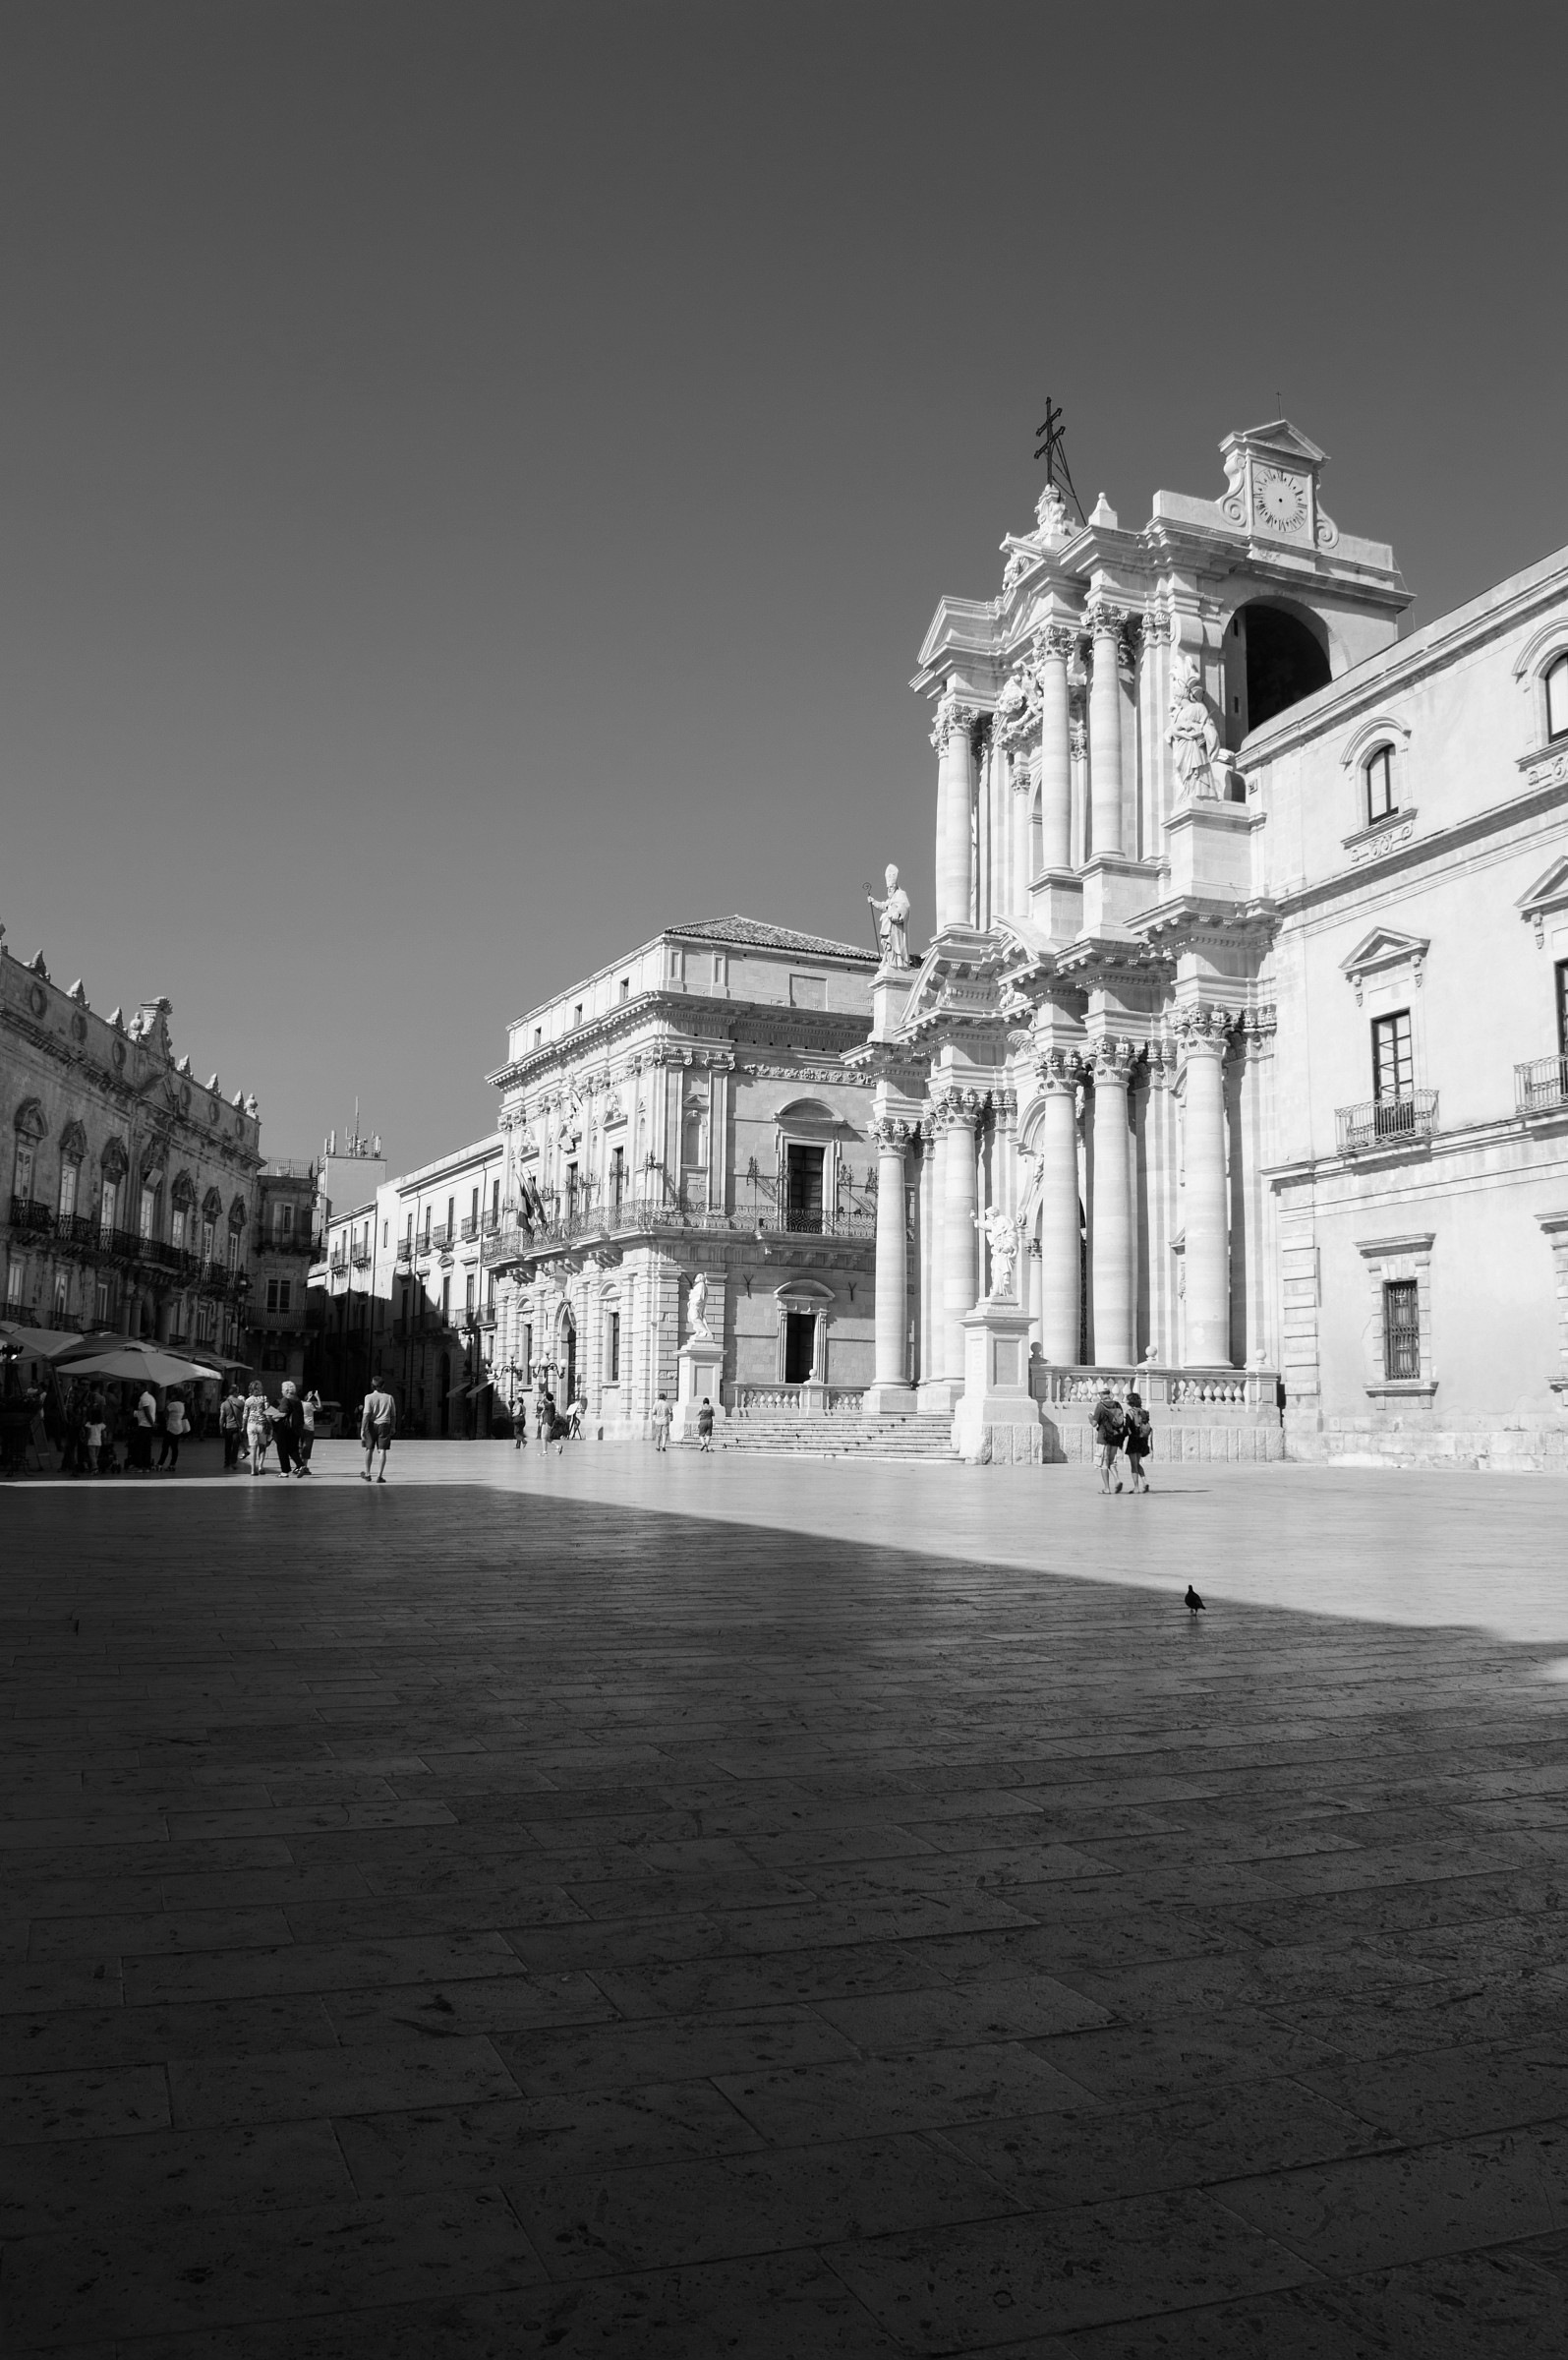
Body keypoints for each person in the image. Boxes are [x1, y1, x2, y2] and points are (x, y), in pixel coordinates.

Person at [1091, 1384, 1126, 1495]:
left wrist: (1090, 1417)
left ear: (1101, 1394)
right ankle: (1117, 1479)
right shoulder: (1117, 1404)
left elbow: (1094, 1423)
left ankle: (1107, 1488)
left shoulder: (1100, 1406)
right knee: (1112, 1461)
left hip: (1104, 1438)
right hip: (1115, 1437)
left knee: (1103, 1464)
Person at [360, 1378, 396, 1483]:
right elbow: (393, 1415)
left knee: (369, 1449)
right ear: (383, 1385)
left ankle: (367, 1474)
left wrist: (362, 1429)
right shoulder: (389, 1398)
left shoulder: (368, 1397)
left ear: (372, 1386)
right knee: (382, 1450)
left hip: (371, 1425)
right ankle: (379, 1476)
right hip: (385, 1425)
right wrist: (393, 1427)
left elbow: (366, 1414)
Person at [270, 1382, 304, 1477]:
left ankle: (284, 1471)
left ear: (286, 1390)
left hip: (284, 1428)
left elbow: (283, 1413)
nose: (281, 1391)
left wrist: (272, 1416)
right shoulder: (297, 1400)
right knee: (292, 1448)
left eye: (282, 1389)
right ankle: (301, 1465)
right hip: (295, 1428)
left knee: (282, 1449)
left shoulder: (285, 1399)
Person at [1123, 1389, 1152, 1493]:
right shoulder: (1144, 1411)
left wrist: (1122, 1436)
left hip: (1133, 1439)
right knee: (1137, 1463)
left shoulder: (1129, 1412)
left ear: (1130, 1402)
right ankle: (1145, 1481)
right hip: (1142, 1439)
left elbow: (1127, 1427)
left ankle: (1136, 1487)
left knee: (1133, 1465)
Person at [244, 1381, 271, 1477]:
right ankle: (260, 1466)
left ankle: (252, 1470)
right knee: (262, 1446)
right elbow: (268, 1413)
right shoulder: (264, 1398)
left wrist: (243, 1427)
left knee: (253, 1448)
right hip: (261, 1424)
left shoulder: (248, 1400)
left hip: (251, 1425)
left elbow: (245, 1415)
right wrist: (270, 1425)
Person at [158, 1390, 189, 1472]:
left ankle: (160, 1464)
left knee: (165, 1447)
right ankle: (172, 1464)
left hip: (171, 1428)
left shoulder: (172, 1404)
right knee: (175, 1448)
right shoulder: (182, 1405)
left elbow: (165, 1414)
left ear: (175, 1396)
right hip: (178, 1428)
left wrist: (167, 1404)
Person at [131, 1386, 158, 1476]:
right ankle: (146, 1466)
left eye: (138, 1389)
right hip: (147, 1425)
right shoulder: (150, 1397)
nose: (136, 1391)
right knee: (147, 1446)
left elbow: (147, 1412)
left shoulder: (144, 1398)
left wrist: (152, 1423)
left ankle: (139, 1466)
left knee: (138, 1446)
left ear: (143, 1388)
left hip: (144, 1425)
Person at [219, 1384, 244, 1472]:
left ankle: (226, 1462)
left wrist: (221, 1428)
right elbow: (244, 1414)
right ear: (234, 1393)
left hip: (228, 1427)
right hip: (237, 1427)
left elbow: (222, 1417)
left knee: (228, 1445)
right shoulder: (240, 1403)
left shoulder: (224, 1404)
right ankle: (233, 1462)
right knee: (235, 1445)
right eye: (237, 1392)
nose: (238, 1394)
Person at [298, 1387, 320, 1474]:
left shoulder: (298, 1403)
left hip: (300, 1427)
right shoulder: (310, 1404)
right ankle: (304, 1466)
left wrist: (307, 1398)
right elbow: (320, 1408)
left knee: (300, 1447)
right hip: (309, 1428)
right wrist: (317, 1397)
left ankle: (299, 1466)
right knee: (307, 1447)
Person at [85, 1406, 107, 1475]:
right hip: (99, 1442)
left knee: (92, 1456)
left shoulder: (89, 1424)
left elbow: (88, 1433)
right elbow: (104, 1434)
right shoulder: (102, 1424)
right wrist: (104, 1440)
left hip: (91, 1441)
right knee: (96, 1456)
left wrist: (86, 1440)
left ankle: (95, 1468)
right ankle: (94, 1469)